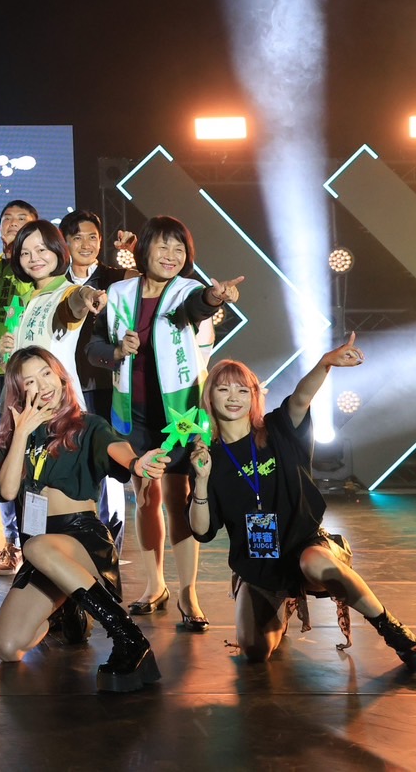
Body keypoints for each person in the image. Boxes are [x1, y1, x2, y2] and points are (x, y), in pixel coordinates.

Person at [189, 339, 416, 672]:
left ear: (254, 396)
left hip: (305, 544)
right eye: (223, 389)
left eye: (242, 390)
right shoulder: (210, 458)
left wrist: (325, 363)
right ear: (209, 397)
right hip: (259, 565)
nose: (233, 397)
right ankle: (282, 604)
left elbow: (301, 397)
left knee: (314, 563)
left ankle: (393, 630)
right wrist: (201, 480)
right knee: (255, 651)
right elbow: (202, 531)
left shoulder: (278, 429)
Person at [87, 216, 243, 632]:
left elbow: (199, 306)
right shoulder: (119, 294)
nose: (171, 255)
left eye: (179, 249)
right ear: (145, 250)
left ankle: (188, 591)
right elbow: (94, 346)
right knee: (144, 498)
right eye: (163, 246)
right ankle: (154, 585)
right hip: (132, 412)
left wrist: (214, 296)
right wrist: (116, 351)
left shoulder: (186, 291)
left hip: (180, 414)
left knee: (178, 498)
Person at [0, 347, 169, 693]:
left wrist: (136, 464)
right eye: (30, 381)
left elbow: (118, 449)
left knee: (37, 548)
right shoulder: (16, 435)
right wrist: (22, 434)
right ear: (18, 391)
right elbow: (8, 490)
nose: (42, 385)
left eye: (46, 373)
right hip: (41, 547)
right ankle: (66, 606)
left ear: (60, 376)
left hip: (82, 538)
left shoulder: (87, 425)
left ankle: (129, 638)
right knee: (8, 647)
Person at [58, 209, 135, 587]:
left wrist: (133, 254)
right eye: (77, 238)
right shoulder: (56, 281)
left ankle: (109, 556)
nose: (86, 244)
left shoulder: (116, 278)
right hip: (68, 386)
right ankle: (76, 552)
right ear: (65, 243)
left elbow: (150, 285)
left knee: (111, 469)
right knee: (75, 466)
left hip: (108, 385)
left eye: (92, 237)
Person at [0, 199, 38, 578]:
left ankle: (35, 546)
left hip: (26, 378)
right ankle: (11, 543)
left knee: (31, 464)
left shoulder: (38, 268)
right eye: (7, 219)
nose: (13, 223)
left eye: (22, 218)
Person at [0, 220, 106, 396]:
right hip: (26, 402)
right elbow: (10, 368)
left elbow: (76, 298)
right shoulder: (19, 302)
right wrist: (3, 355)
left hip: (60, 401)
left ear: (57, 249)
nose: (34, 258)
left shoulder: (66, 293)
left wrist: (86, 293)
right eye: (25, 253)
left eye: (41, 250)